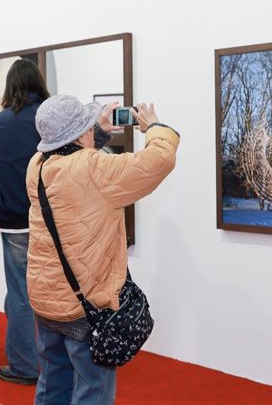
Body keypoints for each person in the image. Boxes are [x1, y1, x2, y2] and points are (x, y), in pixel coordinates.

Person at [26, 95, 180, 404]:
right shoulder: (94, 168)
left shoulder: (38, 165)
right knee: (92, 389)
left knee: (52, 383)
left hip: (46, 299)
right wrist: (155, 128)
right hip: (86, 306)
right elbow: (159, 160)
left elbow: (75, 157)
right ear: (81, 133)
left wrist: (95, 131)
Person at [0, 58, 49, 384]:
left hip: (14, 219)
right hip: (52, 219)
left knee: (19, 293)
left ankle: (24, 367)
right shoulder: (50, 121)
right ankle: (60, 362)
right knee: (57, 291)